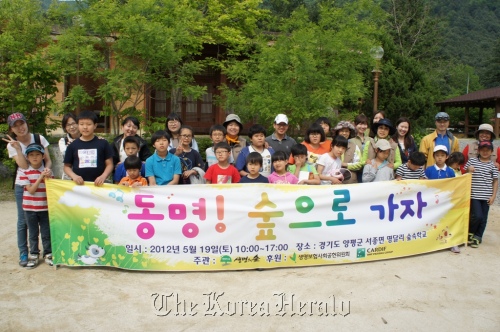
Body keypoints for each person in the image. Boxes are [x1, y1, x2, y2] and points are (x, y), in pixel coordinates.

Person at [3, 112, 52, 267]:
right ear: (11, 129)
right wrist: (18, 148)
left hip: (43, 182)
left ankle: (48, 251)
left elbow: (48, 160)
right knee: (23, 220)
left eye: (21, 123)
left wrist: (47, 172)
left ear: (26, 123)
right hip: (23, 184)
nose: (20, 128)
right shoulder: (11, 144)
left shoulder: (39, 138)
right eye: (15, 126)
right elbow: (23, 166)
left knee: (45, 218)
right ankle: (25, 252)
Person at [17, 143, 54, 268]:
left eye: (37, 154)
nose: (34, 157)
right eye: (31, 155)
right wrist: (40, 177)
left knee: (46, 233)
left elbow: (52, 189)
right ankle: (33, 254)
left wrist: (48, 177)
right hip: (30, 209)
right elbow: (31, 190)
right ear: (27, 157)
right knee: (33, 234)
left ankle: (48, 253)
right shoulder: (24, 172)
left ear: (43, 156)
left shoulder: (48, 172)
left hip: (44, 208)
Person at [63, 110, 114, 186]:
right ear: (78, 125)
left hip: (99, 185)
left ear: (95, 126)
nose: (85, 127)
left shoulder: (103, 143)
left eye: (89, 124)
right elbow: (66, 166)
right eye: (81, 124)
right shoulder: (72, 145)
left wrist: (103, 176)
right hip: (79, 186)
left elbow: (110, 164)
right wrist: (74, 176)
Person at [465, 141, 498, 248]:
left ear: (491, 152)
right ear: (478, 150)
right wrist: (468, 170)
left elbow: (495, 181)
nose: (485, 152)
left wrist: (493, 196)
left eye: (487, 150)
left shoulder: (493, 165)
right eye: (482, 150)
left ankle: (478, 236)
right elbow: (464, 174)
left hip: (487, 196)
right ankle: (471, 231)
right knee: (477, 216)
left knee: (483, 218)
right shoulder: (472, 161)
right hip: (474, 195)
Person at [446, 151, 466, 253]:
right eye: (457, 163)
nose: (458, 166)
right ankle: (451, 242)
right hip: (450, 200)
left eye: (460, 164)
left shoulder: (458, 170)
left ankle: (456, 240)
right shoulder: (448, 170)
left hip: (458, 200)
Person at [58, 113, 81, 180]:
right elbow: (66, 156)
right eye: (68, 125)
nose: (72, 127)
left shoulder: (87, 138)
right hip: (69, 176)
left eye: (73, 123)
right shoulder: (63, 141)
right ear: (65, 127)